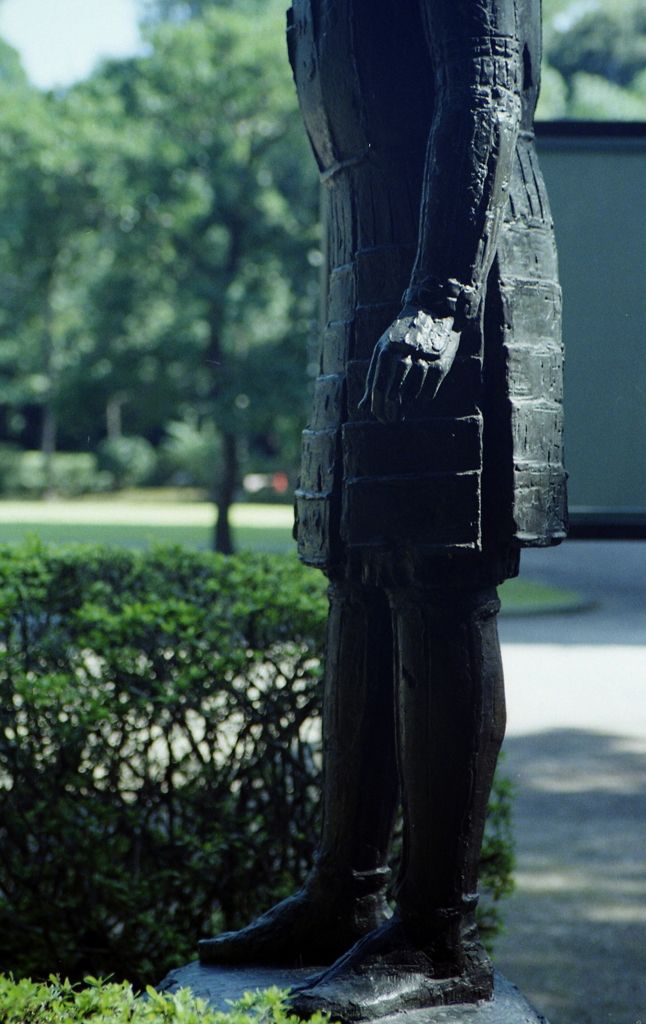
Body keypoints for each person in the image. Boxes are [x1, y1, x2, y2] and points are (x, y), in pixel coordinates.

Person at [199, 0, 567, 1015]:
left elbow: (485, 86)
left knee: (437, 580)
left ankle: (438, 934)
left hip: (452, 274)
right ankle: (343, 895)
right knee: (358, 574)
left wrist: (443, 297)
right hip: (364, 267)